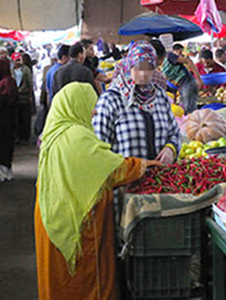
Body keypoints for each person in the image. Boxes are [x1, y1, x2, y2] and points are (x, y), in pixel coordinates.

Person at [35, 82, 160, 300]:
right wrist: (143, 165)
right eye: (90, 105)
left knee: (57, 278)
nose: (93, 111)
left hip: (51, 213)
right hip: (77, 219)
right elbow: (110, 170)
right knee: (87, 277)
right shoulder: (77, 136)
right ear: (77, 104)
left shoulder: (54, 132)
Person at [94, 41, 181, 163]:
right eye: (139, 68)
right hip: (126, 180)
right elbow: (98, 145)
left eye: (149, 68)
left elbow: (175, 132)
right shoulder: (111, 99)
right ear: (130, 65)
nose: (143, 74)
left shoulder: (160, 95)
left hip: (160, 177)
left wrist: (170, 148)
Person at [161, 43, 204, 112]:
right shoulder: (160, 64)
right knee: (185, 108)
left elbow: (188, 61)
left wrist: (198, 79)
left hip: (188, 82)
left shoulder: (170, 56)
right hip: (182, 85)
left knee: (189, 110)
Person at [12, 52, 34, 144]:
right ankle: (17, 136)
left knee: (25, 117)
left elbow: (30, 83)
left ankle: (24, 137)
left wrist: (30, 95)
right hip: (14, 96)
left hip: (24, 95)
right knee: (16, 117)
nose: (18, 62)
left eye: (19, 59)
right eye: (16, 60)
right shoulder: (11, 70)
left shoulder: (26, 70)